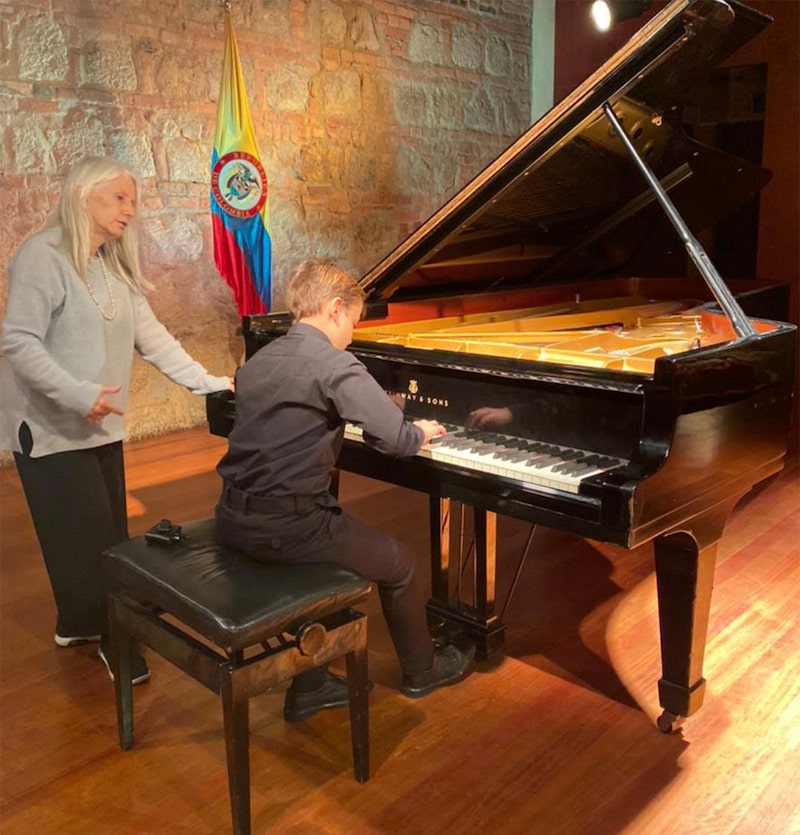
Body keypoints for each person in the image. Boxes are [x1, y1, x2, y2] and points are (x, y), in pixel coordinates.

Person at [0, 155, 233, 686]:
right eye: (120, 198)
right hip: (49, 424)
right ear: (84, 196)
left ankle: (78, 624)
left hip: (97, 423)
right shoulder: (43, 255)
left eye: (134, 200)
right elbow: (16, 341)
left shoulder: (110, 263)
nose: (131, 209)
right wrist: (80, 393)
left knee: (102, 535)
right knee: (86, 540)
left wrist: (211, 382)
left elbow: (153, 339)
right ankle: (115, 640)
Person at [215, 258, 475, 722]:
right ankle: (423, 670)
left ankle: (311, 684)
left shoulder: (260, 359)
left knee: (336, 549)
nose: (353, 335)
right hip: (289, 527)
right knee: (400, 563)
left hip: (233, 517)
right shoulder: (335, 364)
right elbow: (395, 440)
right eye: (354, 323)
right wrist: (418, 431)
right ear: (335, 309)